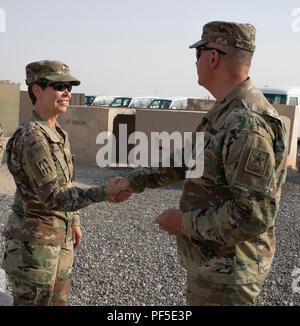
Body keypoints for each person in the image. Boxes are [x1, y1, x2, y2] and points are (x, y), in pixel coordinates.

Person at [110, 21, 287, 305]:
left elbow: (253, 215)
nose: (195, 63)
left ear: (213, 57)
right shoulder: (226, 112)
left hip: (228, 275)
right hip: (214, 269)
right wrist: (134, 181)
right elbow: (186, 160)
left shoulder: (246, 124)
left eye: (198, 54)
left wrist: (184, 223)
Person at [2, 60, 132, 306]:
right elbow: (54, 196)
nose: (67, 93)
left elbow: (66, 181)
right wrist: (106, 191)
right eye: (59, 86)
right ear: (37, 90)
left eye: (69, 86)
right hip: (34, 247)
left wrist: (73, 220)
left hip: (58, 241)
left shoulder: (57, 133)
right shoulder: (33, 137)